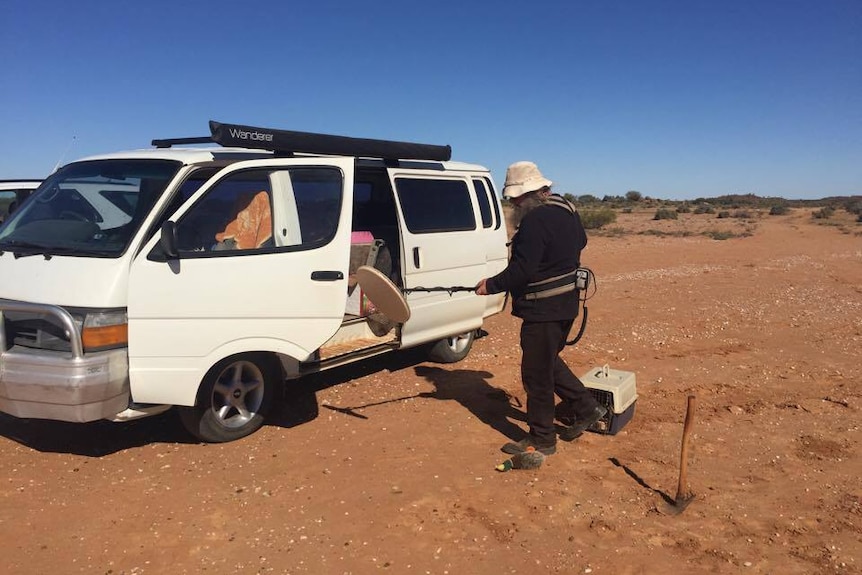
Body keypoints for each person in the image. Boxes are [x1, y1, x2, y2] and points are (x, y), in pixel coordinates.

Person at [475, 161, 606, 456]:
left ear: (530, 193)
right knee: (548, 362)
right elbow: (581, 241)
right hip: (566, 304)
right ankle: (587, 409)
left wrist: (490, 285)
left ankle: (542, 438)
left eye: (515, 198)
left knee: (536, 375)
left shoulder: (535, 220)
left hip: (543, 308)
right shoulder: (567, 210)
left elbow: (522, 269)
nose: (512, 203)